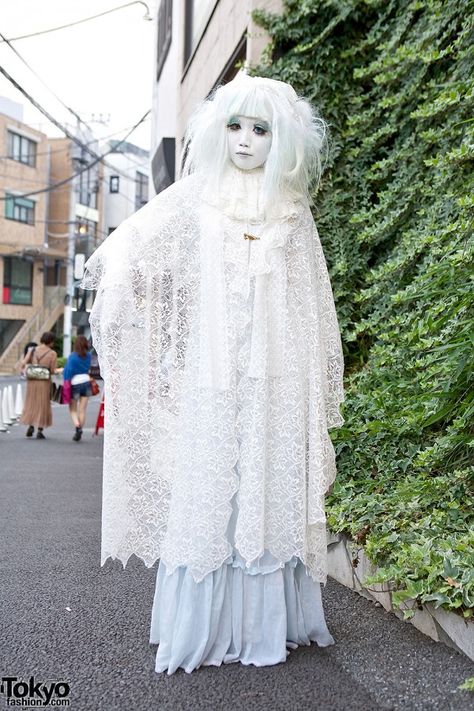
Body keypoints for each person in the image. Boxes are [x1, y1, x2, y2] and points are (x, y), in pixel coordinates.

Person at [82, 73, 345, 674]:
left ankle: (264, 625)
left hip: (275, 377)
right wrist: (120, 283)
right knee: (209, 488)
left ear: (284, 141)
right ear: (215, 130)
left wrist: (310, 378)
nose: (246, 141)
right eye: (235, 126)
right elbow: (136, 240)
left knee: (264, 485)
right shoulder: (196, 197)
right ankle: (202, 625)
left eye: (261, 129)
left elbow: (312, 303)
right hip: (212, 373)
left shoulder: (293, 211)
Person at [20, 331, 61, 439]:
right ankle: (40, 430)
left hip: (32, 381)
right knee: (43, 404)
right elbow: (52, 370)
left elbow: (23, 362)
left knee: (31, 403)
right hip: (44, 382)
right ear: (51, 341)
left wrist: (32, 365)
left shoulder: (33, 350)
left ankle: (30, 426)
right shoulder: (52, 353)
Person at [62, 335, 93, 441]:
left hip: (75, 383)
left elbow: (68, 371)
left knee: (73, 409)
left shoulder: (73, 356)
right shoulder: (89, 356)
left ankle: (77, 426)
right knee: (82, 410)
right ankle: (80, 429)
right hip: (86, 382)